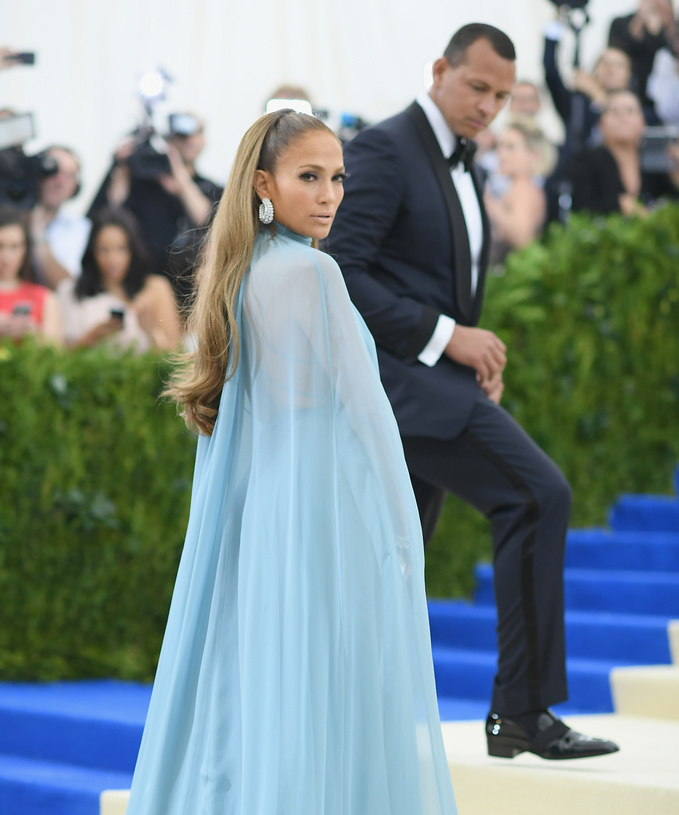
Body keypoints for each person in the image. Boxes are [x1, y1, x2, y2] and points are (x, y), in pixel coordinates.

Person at [122, 110, 457, 815]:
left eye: (338, 177)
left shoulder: (237, 273)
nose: (330, 194)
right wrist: (401, 531)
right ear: (265, 185)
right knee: (324, 688)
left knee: (259, 687)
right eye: (311, 177)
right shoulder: (312, 272)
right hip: (318, 510)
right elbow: (368, 418)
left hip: (258, 511)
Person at [324, 23, 619, 761]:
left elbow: (424, 275)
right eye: (476, 87)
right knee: (535, 494)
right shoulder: (385, 149)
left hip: (437, 386)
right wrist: (443, 336)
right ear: (439, 71)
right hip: (401, 391)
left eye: (501, 95)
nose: (488, 106)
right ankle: (520, 712)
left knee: (392, 563)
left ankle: (347, 724)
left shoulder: (458, 158)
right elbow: (337, 273)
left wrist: (467, 352)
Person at [88, 113, 223, 308]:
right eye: (180, 136)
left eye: (194, 133)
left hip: (191, 293)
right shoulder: (142, 186)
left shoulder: (212, 189)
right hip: (139, 289)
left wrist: (180, 178)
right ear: (168, 140)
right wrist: (122, 167)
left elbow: (205, 219)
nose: (187, 141)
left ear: (203, 140)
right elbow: (110, 213)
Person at [57, 208, 182, 352]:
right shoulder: (70, 291)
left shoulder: (155, 289)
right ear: (92, 251)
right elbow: (60, 358)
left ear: (133, 250)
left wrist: (151, 330)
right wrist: (92, 337)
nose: (113, 260)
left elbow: (174, 357)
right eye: (104, 250)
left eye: (121, 249)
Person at [568, 89, 679, 215]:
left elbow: (671, 203)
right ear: (600, 124)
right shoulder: (586, 160)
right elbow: (581, 209)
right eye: (614, 112)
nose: (623, 117)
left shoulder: (657, 159)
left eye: (630, 111)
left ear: (643, 122)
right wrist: (619, 205)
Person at [484, 121, 549, 263]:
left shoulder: (524, 189)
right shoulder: (520, 188)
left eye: (510, 147)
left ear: (533, 155)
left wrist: (489, 203)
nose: (501, 155)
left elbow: (522, 239)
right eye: (499, 147)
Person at [30, 145, 92, 289]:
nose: (60, 181)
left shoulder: (82, 229)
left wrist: (38, 235)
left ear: (76, 187)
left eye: (70, 175)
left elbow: (67, 288)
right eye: (53, 170)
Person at [608, 0, 679, 119]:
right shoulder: (620, 24)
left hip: (665, 102)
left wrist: (667, 24)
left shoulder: (672, 27)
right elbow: (617, 54)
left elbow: (671, 53)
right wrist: (639, 21)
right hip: (630, 94)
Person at [0, 207, 62, 342]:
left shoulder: (45, 298)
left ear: (25, 249)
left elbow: (55, 354)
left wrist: (33, 334)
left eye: (14, 246)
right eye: (0, 246)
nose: (6, 257)